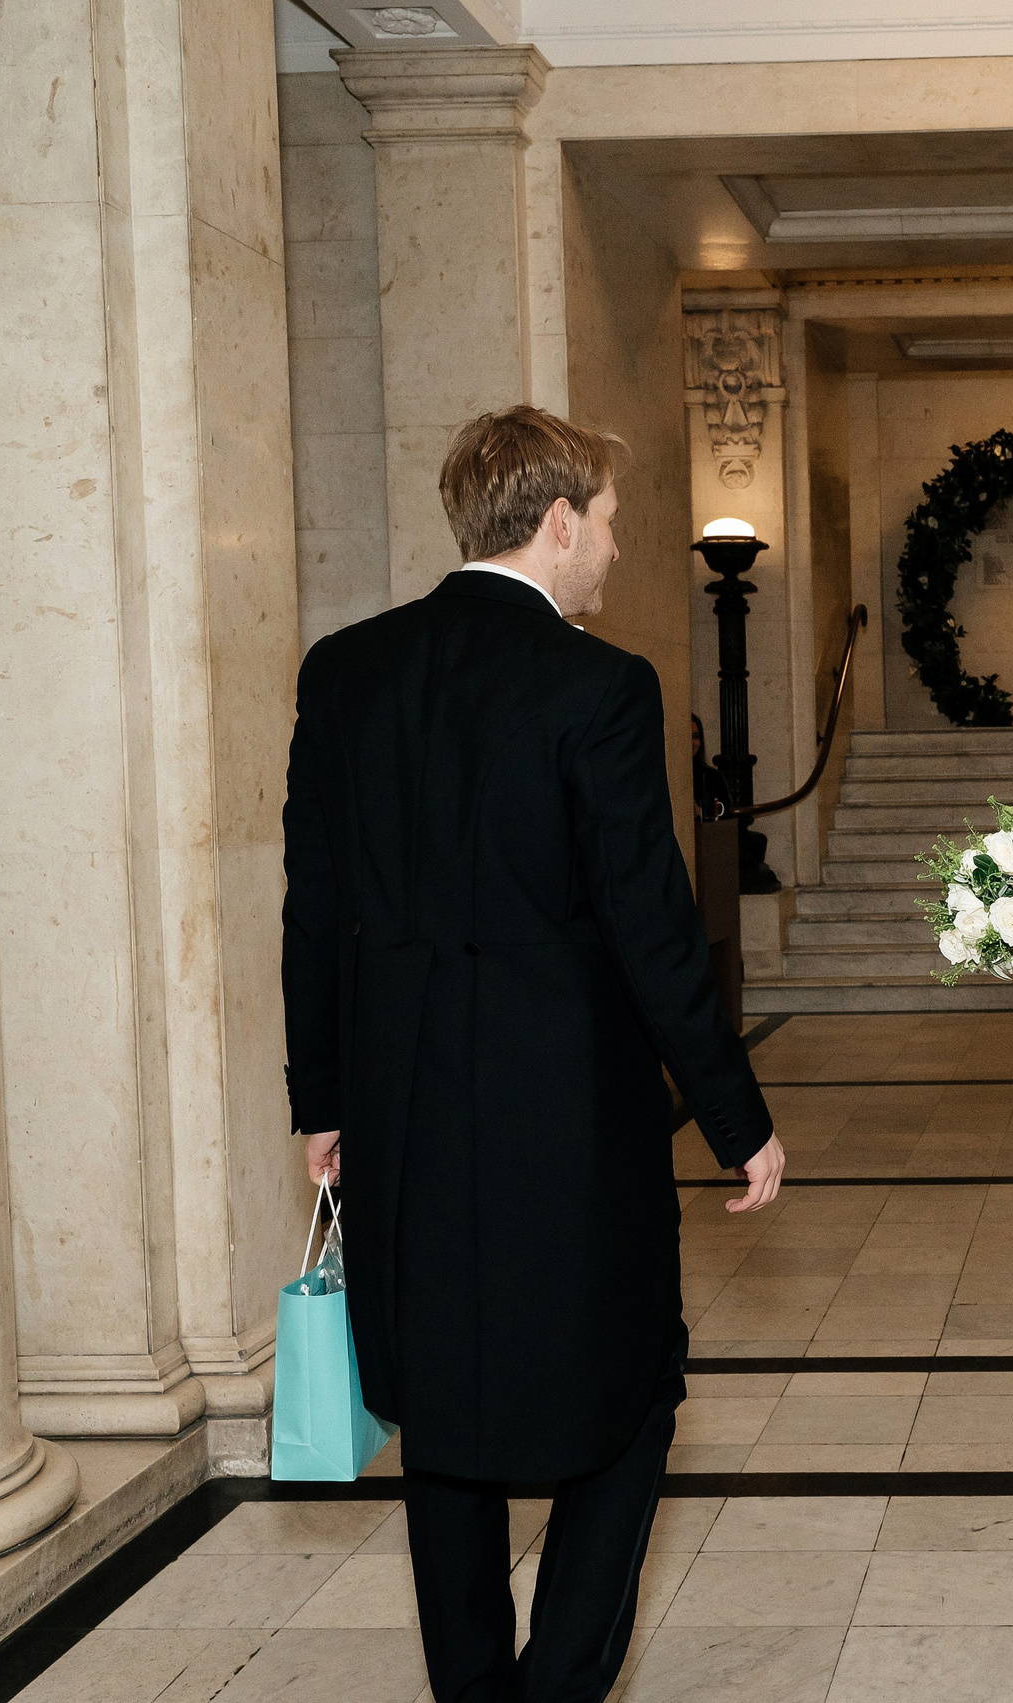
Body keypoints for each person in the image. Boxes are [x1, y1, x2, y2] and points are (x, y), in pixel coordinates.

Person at [281, 404, 785, 1703]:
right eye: (609, 522)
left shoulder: (345, 669)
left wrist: (323, 1098)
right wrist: (736, 1113)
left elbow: (312, 902)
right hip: (571, 1126)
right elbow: (649, 924)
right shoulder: (598, 685)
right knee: (631, 1393)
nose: (615, 550)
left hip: (399, 1110)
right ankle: (556, 1682)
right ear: (557, 520)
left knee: (443, 1421)